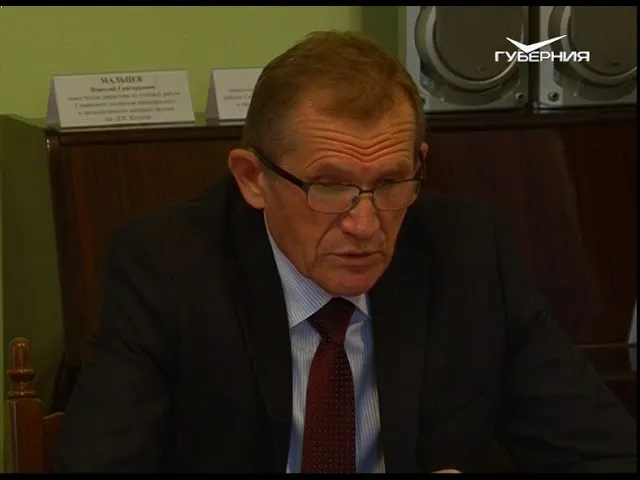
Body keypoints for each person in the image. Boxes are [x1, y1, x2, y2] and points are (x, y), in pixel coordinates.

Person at [55, 30, 636, 473]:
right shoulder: (166, 267)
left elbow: (606, 454)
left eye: (390, 183)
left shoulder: (469, 254)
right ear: (253, 179)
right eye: (329, 186)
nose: (364, 225)